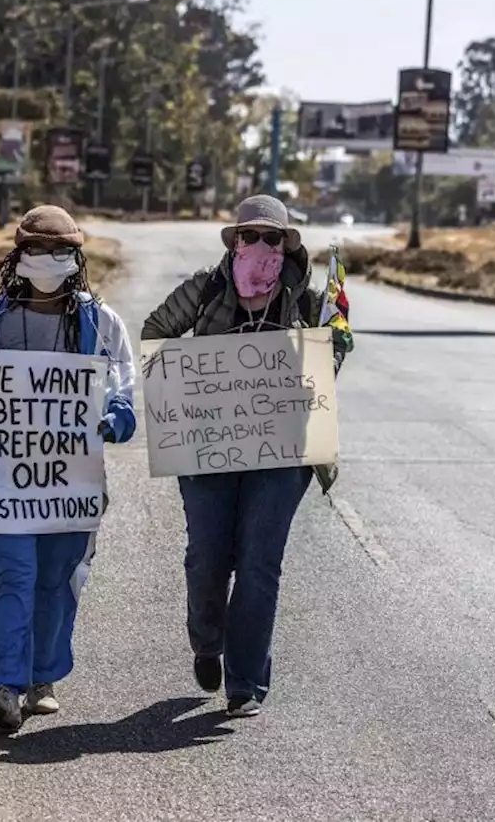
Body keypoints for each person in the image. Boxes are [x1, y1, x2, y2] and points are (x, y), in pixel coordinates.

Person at [141, 195, 352, 718]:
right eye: (248, 236)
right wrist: (189, 392)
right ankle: (207, 643)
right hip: (207, 448)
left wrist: (323, 348)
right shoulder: (206, 288)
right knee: (208, 557)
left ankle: (245, 682)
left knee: (260, 563)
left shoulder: (307, 300)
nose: (259, 245)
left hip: (282, 454)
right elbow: (155, 333)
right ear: (234, 242)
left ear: (287, 246)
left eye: (272, 237)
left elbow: (335, 353)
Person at [0, 205, 136, 732]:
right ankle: (3, 686)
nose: (48, 259)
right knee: (12, 575)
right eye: (37, 249)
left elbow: (123, 388)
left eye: (60, 250)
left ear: (77, 256)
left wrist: (117, 416)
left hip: (70, 486)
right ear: (17, 254)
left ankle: (41, 677)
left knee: (56, 579)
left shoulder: (100, 323)